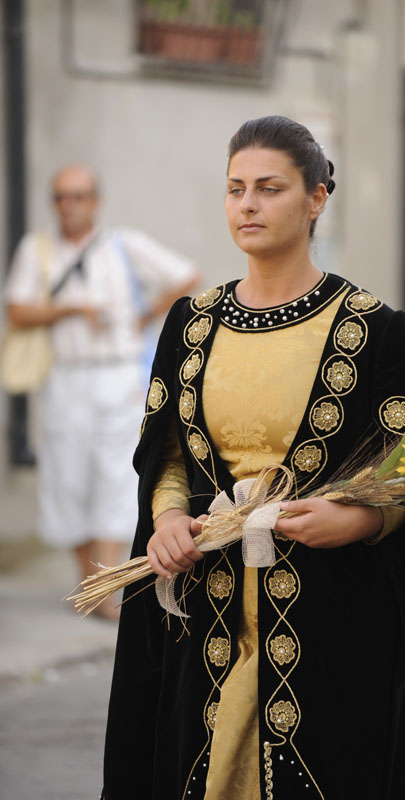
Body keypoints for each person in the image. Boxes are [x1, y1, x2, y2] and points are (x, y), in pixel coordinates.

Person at [101, 117, 405, 797]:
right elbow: (167, 453)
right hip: (204, 617)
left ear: (316, 198)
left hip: (333, 629)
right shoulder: (192, 323)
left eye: (269, 188)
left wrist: (356, 521)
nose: (247, 204)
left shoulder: (374, 330)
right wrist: (168, 519)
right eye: (235, 188)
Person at [3, 164, 199, 618]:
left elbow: (186, 276)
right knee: (67, 477)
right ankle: (88, 580)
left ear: (95, 200)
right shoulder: (39, 251)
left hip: (117, 377)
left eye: (78, 196)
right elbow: (17, 311)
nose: (69, 206)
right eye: (60, 197)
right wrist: (71, 309)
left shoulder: (124, 246)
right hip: (66, 378)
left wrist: (143, 314)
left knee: (116, 476)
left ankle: (103, 587)